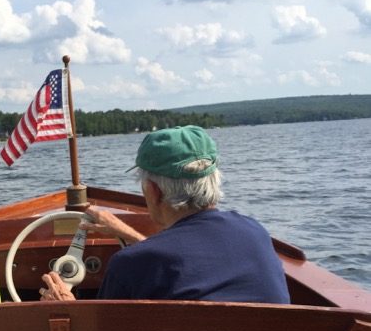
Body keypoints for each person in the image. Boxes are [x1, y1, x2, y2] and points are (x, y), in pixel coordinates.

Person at [41, 125, 290, 304]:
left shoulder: (130, 264)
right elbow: (188, 265)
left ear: (154, 191)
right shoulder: (255, 233)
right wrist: (128, 234)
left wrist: (66, 305)